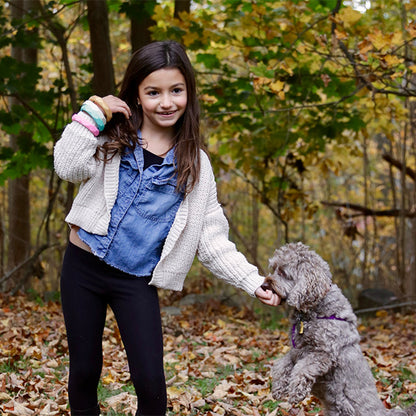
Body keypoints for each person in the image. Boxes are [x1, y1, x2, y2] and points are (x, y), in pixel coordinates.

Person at [54, 40, 280, 416]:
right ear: (137, 96)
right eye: (153, 92)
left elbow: (210, 238)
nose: (166, 102)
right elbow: (67, 166)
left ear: (188, 93)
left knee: (151, 383)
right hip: (83, 268)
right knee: (84, 371)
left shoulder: (196, 164)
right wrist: (94, 112)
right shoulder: (113, 135)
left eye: (176, 90)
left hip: (136, 280)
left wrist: (252, 280)